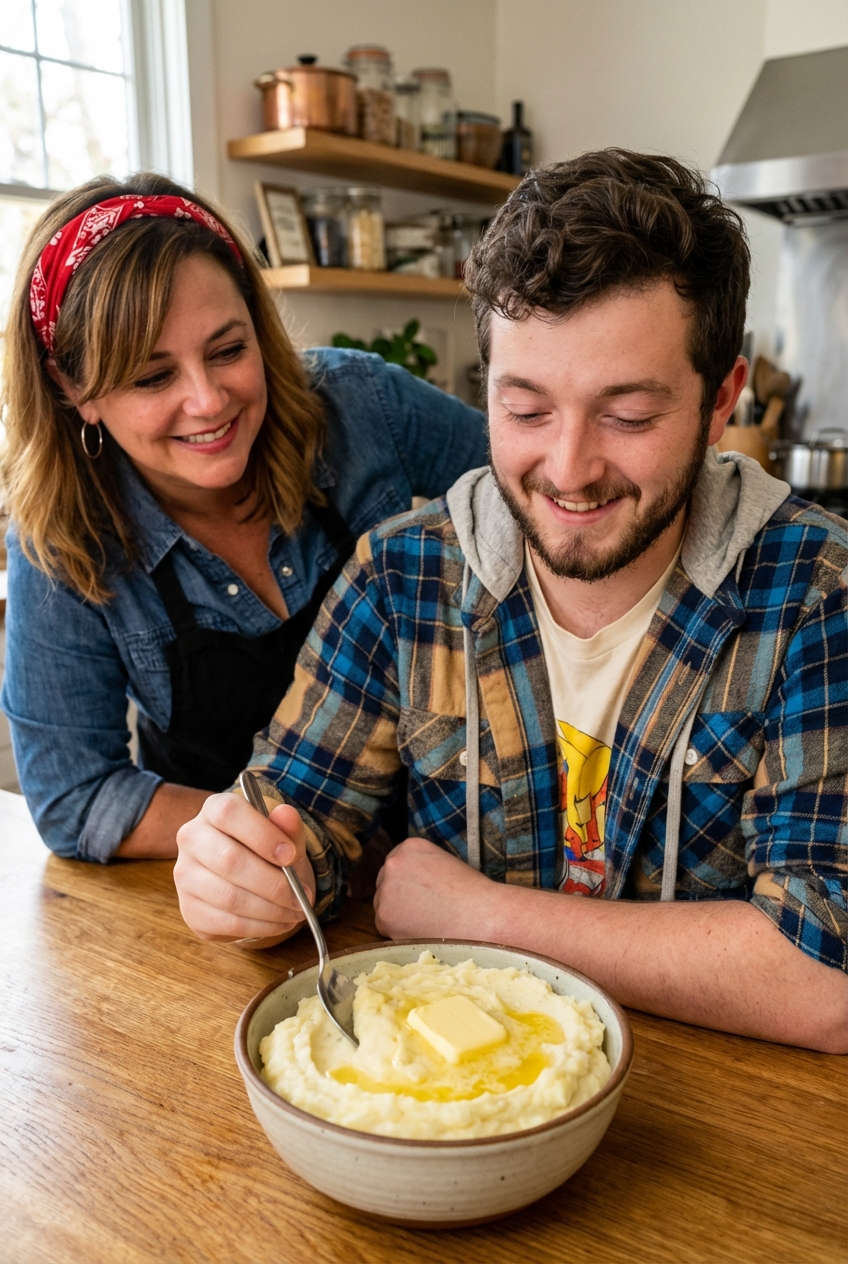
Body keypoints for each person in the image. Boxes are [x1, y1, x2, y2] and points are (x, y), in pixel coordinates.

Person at [174, 151, 847, 1051]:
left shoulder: (816, 593)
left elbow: (823, 977)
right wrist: (242, 875)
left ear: (722, 397)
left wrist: (480, 915)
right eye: (525, 410)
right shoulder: (400, 575)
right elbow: (295, 827)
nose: (568, 470)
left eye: (630, 417)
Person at [0, 173, 486, 863]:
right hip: (249, 890)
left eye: (228, 351)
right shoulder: (62, 535)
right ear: (72, 387)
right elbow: (74, 796)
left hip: (446, 857)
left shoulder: (360, 407)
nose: (207, 401)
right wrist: (291, 837)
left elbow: (533, 491)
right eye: (152, 376)